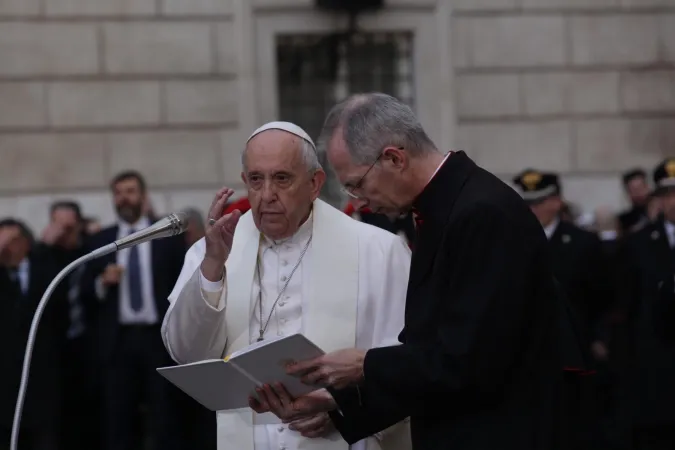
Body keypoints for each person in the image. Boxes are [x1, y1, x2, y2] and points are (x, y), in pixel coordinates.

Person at [252, 93, 570, 450]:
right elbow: (433, 354)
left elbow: (469, 362)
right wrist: (338, 405)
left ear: (393, 158)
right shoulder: (441, 210)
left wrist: (365, 364)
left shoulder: (481, 214)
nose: (357, 201)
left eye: (357, 183)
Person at [161, 121, 412, 450]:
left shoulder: (379, 250)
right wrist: (212, 268)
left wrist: (346, 408)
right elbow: (186, 353)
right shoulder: (213, 250)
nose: (267, 195)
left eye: (282, 178)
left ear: (314, 183)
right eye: (256, 179)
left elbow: (404, 362)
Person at [81, 171, 187, 450]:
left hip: (158, 339)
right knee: (118, 420)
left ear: (143, 195)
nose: (124, 197)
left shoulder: (167, 235)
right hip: (118, 344)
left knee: (165, 416)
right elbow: (83, 293)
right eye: (118, 192)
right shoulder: (100, 241)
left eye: (130, 191)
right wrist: (102, 283)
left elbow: (185, 284)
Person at [614, 158, 675, 450]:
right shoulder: (638, 245)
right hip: (658, 377)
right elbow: (627, 308)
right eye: (670, 194)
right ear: (660, 199)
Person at [0, 219, 68, 450]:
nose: (6, 248)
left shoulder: (46, 268)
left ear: (26, 243)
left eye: (12, 241)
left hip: (43, 379)